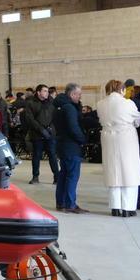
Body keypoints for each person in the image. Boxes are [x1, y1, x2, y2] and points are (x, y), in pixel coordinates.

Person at [98, 80, 140, 217]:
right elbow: (137, 121)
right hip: (125, 137)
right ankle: (128, 208)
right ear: (121, 90)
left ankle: (115, 207)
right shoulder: (128, 103)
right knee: (129, 172)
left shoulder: (100, 104)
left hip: (108, 137)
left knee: (113, 172)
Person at [53, 84, 87, 213]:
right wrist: (82, 139)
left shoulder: (58, 107)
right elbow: (74, 128)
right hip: (71, 146)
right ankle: (70, 204)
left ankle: (61, 203)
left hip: (62, 144)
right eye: (78, 94)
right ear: (72, 94)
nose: (80, 97)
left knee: (64, 174)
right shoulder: (70, 108)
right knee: (72, 176)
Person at [23, 84, 60, 185]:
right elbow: (30, 119)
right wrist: (41, 129)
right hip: (37, 134)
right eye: (44, 91)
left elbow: (55, 116)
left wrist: (50, 129)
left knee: (52, 155)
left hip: (50, 133)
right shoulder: (31, 103)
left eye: (47, 91)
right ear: (38, 92)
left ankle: (57, 177)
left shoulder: (51, 102)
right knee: (36, 156)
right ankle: (35, 177)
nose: (47, 93)